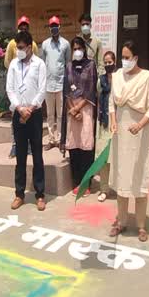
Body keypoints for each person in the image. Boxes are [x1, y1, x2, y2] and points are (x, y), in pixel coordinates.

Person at [108, 40, 149, 242]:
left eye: (127, 57)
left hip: (139, 135)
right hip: (120, 135)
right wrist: (113, 122)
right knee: (122, 178)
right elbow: (112, 104)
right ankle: (122, 222)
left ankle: (141, 226)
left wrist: (140, 125)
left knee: (139, 178)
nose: (124, 61)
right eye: (122, 57)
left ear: (136, 58)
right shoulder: (116, 77)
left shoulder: (148, 78)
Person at [6, 30, 47, 211]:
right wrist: (19, 108)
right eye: (17, 48)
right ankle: (19, 194)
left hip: (35, 114)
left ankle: (40, 194)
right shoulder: (14, 65)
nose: (18, 51)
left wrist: (31, 108)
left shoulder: (39, 64)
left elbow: (42, 88)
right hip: (19, 114)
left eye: (21, 48)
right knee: (20, 156)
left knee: (37, 155)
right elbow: (10, 89)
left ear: (29, 47)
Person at [60, 37, 98, 195]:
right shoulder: (68, 66)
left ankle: (86, 183)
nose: (77, 51)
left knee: (86, 146)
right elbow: (66, 89)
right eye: (74, 48)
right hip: (72, 110)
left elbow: (91, 89)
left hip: (86, 108)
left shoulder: (91, 65)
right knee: (74, 146)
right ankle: (76, 181)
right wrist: (72, 109)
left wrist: (79, 108)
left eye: (79, 48)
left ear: (84, 49)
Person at [4, 15, 39, 158]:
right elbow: (7, 62)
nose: (23, 28)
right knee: (16, 115)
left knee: (29, 115)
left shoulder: (34, 45)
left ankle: (29, 145)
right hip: (16, 84)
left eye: (25, 26)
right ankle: (15, 145)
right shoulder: (12, 44)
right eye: (21, 26)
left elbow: (35, 63)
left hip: (29, 86)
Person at [41, 15, 70, 150]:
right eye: (51, 26)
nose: (53, 28)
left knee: (60, 113)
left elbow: (68, 64)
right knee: (50, 114)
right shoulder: (45, 44)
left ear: (59, 27)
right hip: (48, 84)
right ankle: (51, 140)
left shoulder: (65, 44)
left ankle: (60, 139)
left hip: (61, 84)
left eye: (55, 26)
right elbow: (43, 63)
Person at [96, 51, 116, 202]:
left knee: (117, 158)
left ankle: (120, 188)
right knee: (103, 158)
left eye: (110, 62)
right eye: (106, 62)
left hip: (117, 123)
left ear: (115, 62)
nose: (108, 65)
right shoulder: (100, 80)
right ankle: (104, 189)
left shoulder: (120, 79)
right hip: (104, 123)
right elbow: (98, 98)